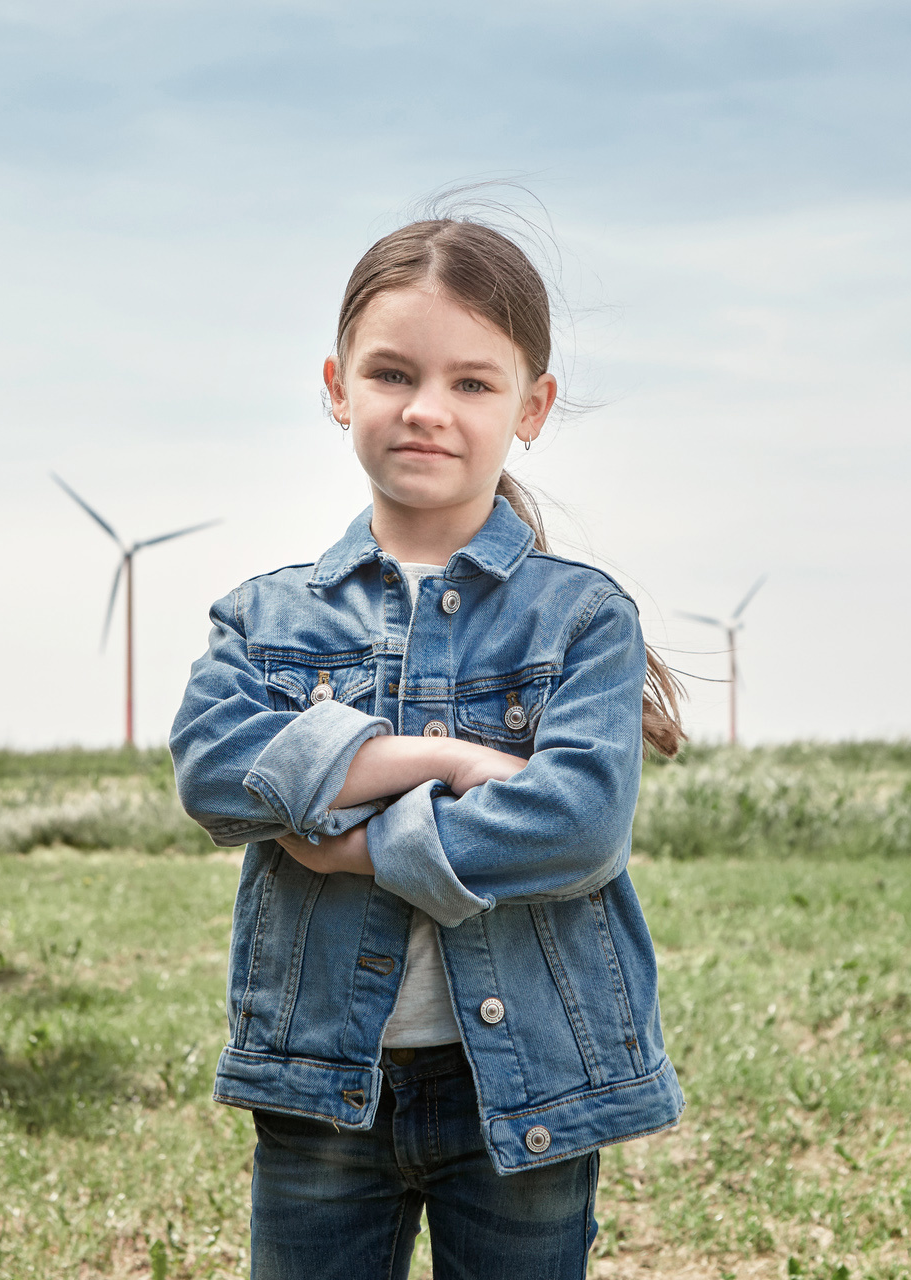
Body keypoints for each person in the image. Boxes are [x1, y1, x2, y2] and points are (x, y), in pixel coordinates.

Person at [170, 210, 686, 1280]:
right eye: (393, 373)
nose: (425, 410)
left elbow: (578, 824)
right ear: (337, 386)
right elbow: (216, 772)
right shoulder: (262, 619)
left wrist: (349, 835)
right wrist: (440, 761)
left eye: (472, 383)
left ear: (531, 407)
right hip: (323, 1082)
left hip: (526, 1083)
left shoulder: (581, 618)